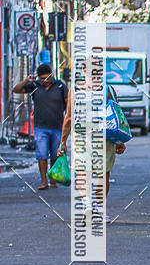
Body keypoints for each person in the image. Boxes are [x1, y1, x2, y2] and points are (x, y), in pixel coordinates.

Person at [57, 77, 126, 210]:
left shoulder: (75, 90)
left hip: (82, 137)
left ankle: (87, 204)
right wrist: (119, 140)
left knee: (82, 172)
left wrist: (63, 142)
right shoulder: (108, 90)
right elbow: (117, 115)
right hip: (104, 137)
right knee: (103, 174)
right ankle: (99, 210)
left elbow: (69, 118)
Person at [13, 64, 68, 190]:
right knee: (42, 154)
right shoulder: (35, 86)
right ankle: (44, 181)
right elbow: (16, 90)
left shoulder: (60, 86)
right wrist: (27, 80)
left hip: (57, 127)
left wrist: (68, 122)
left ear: (52, 75)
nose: (45, 80)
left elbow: (67, 103)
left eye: (47, 77)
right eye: (42, 78)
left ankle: (53, 179)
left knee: (55, 154)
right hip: (40, 127)